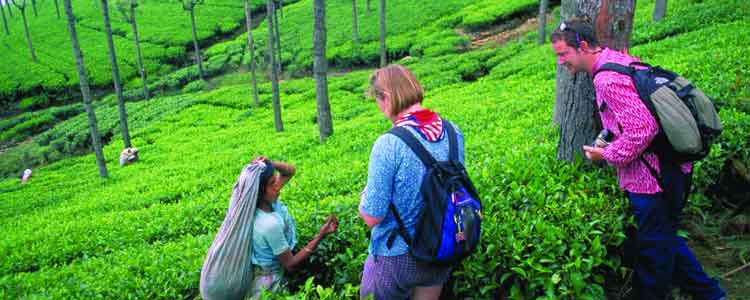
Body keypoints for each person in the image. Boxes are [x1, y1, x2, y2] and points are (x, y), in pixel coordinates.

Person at [550, 18, 726, 300]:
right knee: (667, 240)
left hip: (651, 179)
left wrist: (605, 154)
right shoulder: (617, 60)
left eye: (562, 54)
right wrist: (607, 135)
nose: (560, 62)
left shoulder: (606, 78)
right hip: (670, 167)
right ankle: (711, 294)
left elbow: (643, 128)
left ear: (582, 46)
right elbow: (627, 115)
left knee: (655, 251)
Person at [359, 64, 465, 300]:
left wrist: (364, 198)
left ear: (385, 97)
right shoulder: (453, 131)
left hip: (398, 256)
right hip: (442, 247)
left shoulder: (389, 143)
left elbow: (372, 216)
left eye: (377, 101)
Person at [249, 157, 338, 299]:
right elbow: (290, 264)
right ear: (260, 191)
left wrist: (267, 164)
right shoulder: (269, 224)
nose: (278, 186)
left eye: (276, 181)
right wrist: (321, 235)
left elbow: (290, 171)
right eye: (272, 183)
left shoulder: (259, 206)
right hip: (270, 286)